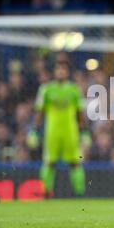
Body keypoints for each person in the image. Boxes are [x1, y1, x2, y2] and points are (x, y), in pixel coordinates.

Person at [27, 58, 86, 198]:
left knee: (75, 162)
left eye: (63, 69)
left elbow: (80, 113)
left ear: (67, 72)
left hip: (70, 133)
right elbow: (40, 112)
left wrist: (84, 132)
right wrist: (34, 130)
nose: (60, 71)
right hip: (51, 133)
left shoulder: (74, 90)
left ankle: (80, 194)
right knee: (49, 162)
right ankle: (46, 193)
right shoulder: (46, 89)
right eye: (58, 68)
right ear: (54, 71)